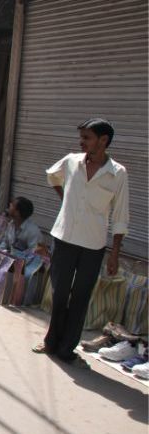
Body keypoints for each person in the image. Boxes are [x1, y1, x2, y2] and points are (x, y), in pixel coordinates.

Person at [33, 118, 129, 367]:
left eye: (87, 137)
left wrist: (115, 253)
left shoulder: (117, 174)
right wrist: (66, 198)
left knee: (81, 296)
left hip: (93, 245)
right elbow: (52, 176)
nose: (81, 141)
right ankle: (51, 341)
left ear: (103, 141)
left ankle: (67, 347)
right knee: (60, 292)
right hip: (64, 238)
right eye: (82, 137)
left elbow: (120, 216)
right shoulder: (72, 161)